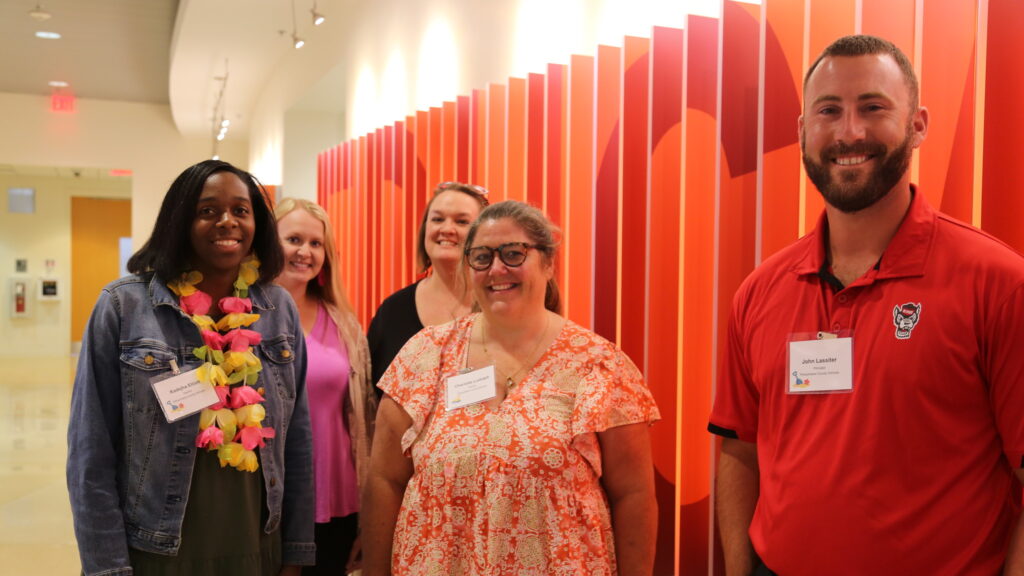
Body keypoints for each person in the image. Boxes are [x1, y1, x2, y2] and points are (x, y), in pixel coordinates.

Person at [709, 35, 1024, 576]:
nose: (849, 131)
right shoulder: (759, 291)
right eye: (828, 111)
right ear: (803, 129)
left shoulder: (997, 282)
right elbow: (740, 450)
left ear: (918, 124)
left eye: (873, 107)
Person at [362, 200, 660, 576]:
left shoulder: (598, 364)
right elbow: (384, 479)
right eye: (482, 257)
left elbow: (633, 497)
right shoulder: (425, 355)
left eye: (514, 254)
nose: (497, 269)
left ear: (548, 262)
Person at [67, 160, 314, 576]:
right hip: (157, 550)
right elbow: (91, 452)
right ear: (180, 220)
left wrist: (296, 550)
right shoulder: (123, 306)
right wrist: (107, 567)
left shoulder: (278, 309)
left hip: (256, 543)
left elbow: (298, 441)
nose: (226, 222)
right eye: (207, 211)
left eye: (240, 210)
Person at [273, 198, 378, 574]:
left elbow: (366, 422)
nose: (305, 252)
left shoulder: (345, 325)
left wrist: (369, 520)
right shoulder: (245, 318)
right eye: (294, 239)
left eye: (316, 244)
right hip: (271, 507)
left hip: (339, 506)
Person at [367, 181, 489, 393]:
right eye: (438, 219)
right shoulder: (392, 311)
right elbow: (371, 394)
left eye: (461, 221)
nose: (447, 229)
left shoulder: (499, 308)